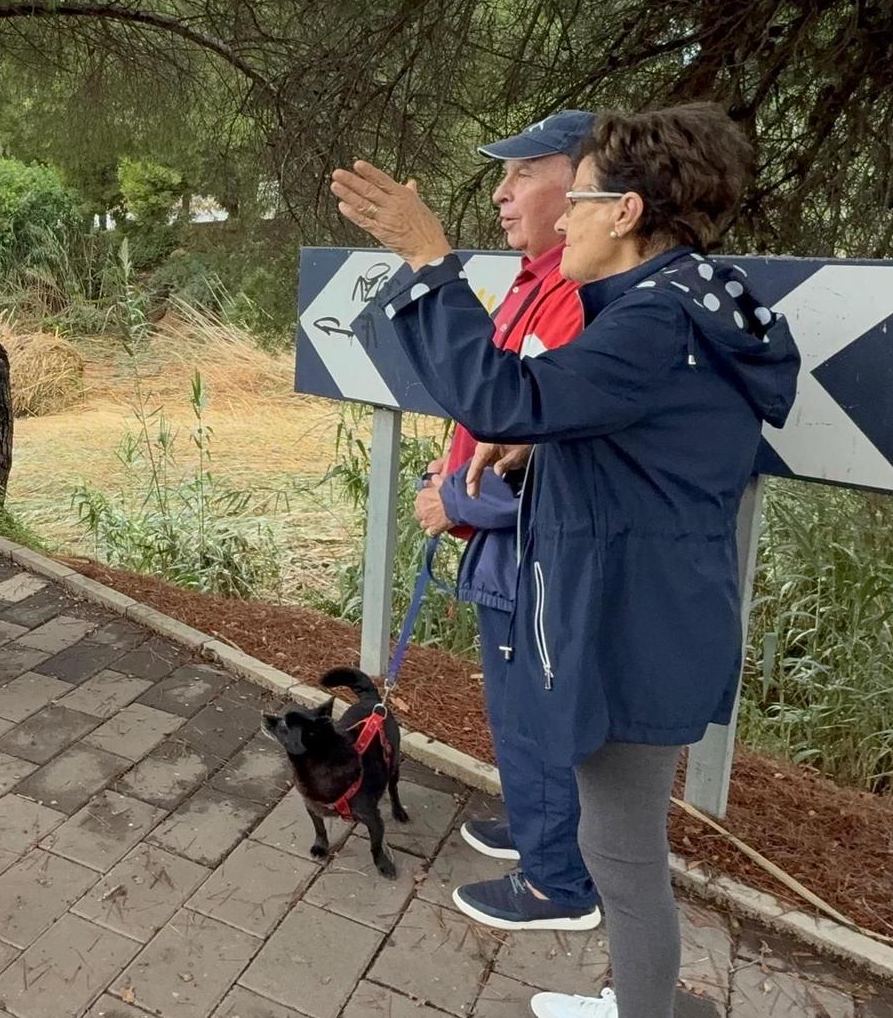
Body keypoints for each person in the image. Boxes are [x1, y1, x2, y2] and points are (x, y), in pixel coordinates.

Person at [335, 104, 799, 1018]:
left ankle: (645, 1010)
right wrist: (543, 442)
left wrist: (430, 259)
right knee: (616, 840)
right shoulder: (687, 302)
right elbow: (650, 441)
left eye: (578, 199)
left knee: (620, 850)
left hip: (636, 628)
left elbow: (503, 394)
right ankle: (647, 1002)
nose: (565, 220)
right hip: (656, 613)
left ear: (625, 212)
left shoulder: (655, 319)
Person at [415, 112, 603, 933]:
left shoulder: (578, 298)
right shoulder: (537, 284)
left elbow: (559, 461)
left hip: (537, 558)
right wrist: (451, 470)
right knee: (515, 711)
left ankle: (559, 880)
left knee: (537, 714)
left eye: (524, 172)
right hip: (507, 553)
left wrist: (453, 501)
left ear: (583, 183)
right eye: (505, 173)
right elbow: (494, 418)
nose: (502, 191)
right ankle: (536, 827)